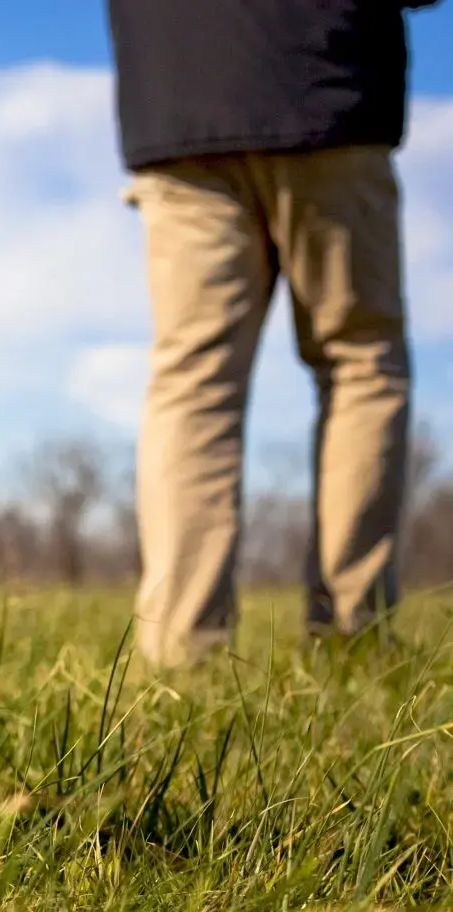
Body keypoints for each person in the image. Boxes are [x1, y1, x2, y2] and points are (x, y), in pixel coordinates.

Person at [106, 0, 443, 668]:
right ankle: (355, 638)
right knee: (361, 360)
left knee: (193, 381)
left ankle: (181, 652)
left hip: (179, 89)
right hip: (325, 80)